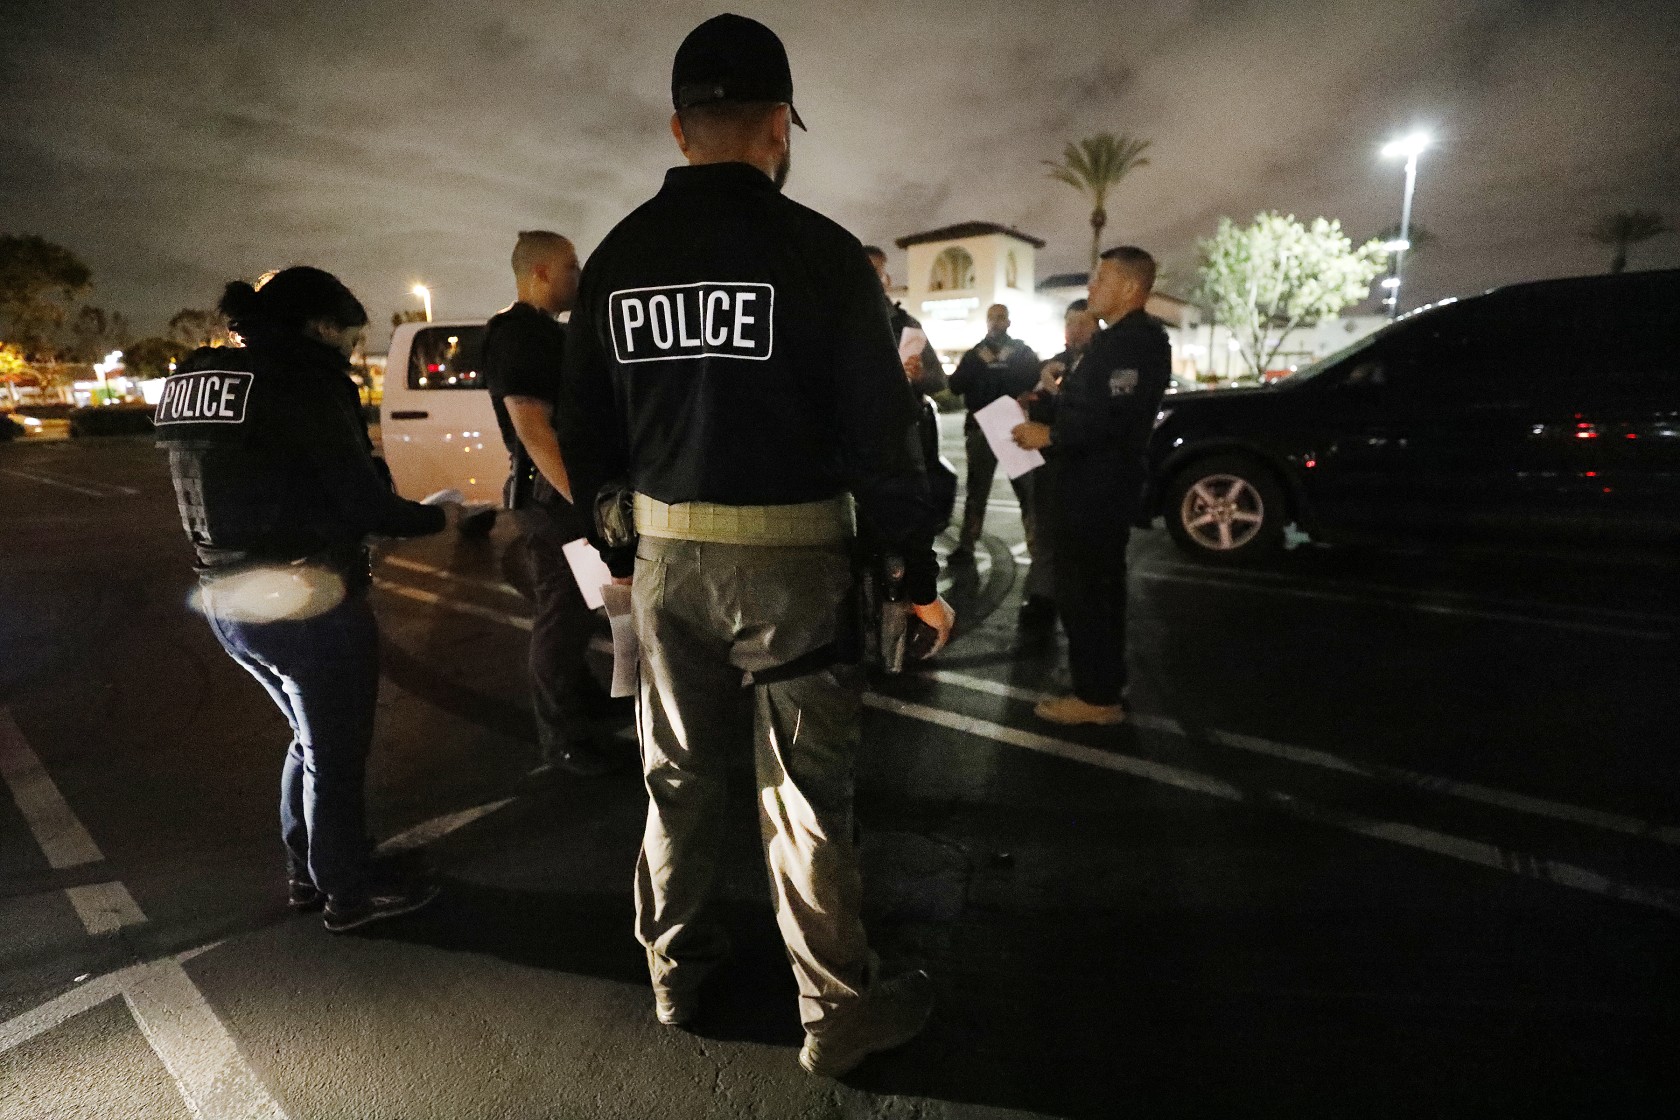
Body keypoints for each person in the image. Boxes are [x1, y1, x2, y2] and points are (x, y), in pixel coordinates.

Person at [556, 13, 954, 1078]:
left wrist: (618, 536)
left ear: (680, 128)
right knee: (806, 794)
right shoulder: (820, 254)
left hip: (668, 559)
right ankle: (837, 1009)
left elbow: (585, 427)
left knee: (676, 777)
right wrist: (914, 574)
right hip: (796, 562)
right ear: (779, 126)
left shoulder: (618, 258)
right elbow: (885, 437)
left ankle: (675, 976)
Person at [153, 267, 446, 931]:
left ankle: (309, 874)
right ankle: (349, 892)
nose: (349, 350)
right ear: (320, 326)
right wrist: (433, 517)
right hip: (303, 593)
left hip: (223, 592)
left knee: (311, 741)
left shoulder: (200, 375)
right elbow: (358, 497)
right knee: (336, 756)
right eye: (349, 337)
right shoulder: (304, 379)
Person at [1012, 247, 1171, 725]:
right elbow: (1093, 406)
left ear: (1128, 287)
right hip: (1087, 484)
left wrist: (1052, 435)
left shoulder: (1136, 343)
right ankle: (1100, 684)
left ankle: (1097, 697)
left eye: (1101, 279)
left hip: (1098, 489)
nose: (1091, 288)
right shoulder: (1116, 341)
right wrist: (1045, 409)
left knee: (1090, 592)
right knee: (1089, 589)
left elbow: (1116, 419)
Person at [482, 230, 615, 778]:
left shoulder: (543, 334)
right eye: (570, 266)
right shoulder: (517, 335)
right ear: (539, 271)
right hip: (552, 501)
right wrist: (584, 503)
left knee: (581, 608)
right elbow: (534, 430)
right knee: (561, 616)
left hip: (560, 500)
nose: (577, 275)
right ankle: (560, 739)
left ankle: (578, 704)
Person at [1015, 298, 1099, 631]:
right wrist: (1032, 398)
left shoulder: (1101, 363)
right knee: (1046, 534)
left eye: (1082, 323)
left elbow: (1095, 418)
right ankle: (1041, 602)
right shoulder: (1055, 364)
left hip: (1083, 466)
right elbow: (1040, 405)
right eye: (1069, 323)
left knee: (1080, 540)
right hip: (1049, 466)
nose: (1074, 331)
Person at [864, 244, 955, 532]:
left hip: (902, 441)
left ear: (887, 279)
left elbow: (938, 381)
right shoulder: (837, 321)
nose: (871, 278)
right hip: (856, 440)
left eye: (877, 272)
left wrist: (919, 374)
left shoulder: (906, 325)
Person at [945, 302, 1039, 564]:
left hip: (1012, 425)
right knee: (977, 492)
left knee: (1027, 493)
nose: (996, 322)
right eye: (992, 318)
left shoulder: (1020, 351)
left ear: (1008, 321)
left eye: (1000, 318)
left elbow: (1032, 380)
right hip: (983, 425)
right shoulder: (976, 354)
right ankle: (967, 546)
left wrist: (995, 366)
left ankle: (1037, 549)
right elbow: (956, 385)